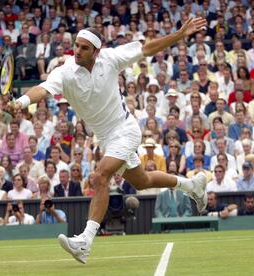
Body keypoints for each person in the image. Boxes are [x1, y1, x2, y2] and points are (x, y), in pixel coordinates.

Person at [14, 20, 208, 263]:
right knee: (143, 180)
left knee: (100, 176)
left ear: (96, 51)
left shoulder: (111, 57)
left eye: (85, 48)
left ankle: (85, 241)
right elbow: (41, 90)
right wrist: (21, 102)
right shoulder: (64, 72)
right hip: (107, 139)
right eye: (76, 45)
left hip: (126, 130)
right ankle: (192, 186)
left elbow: (148, 48)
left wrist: (179, 34)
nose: (77, 51)